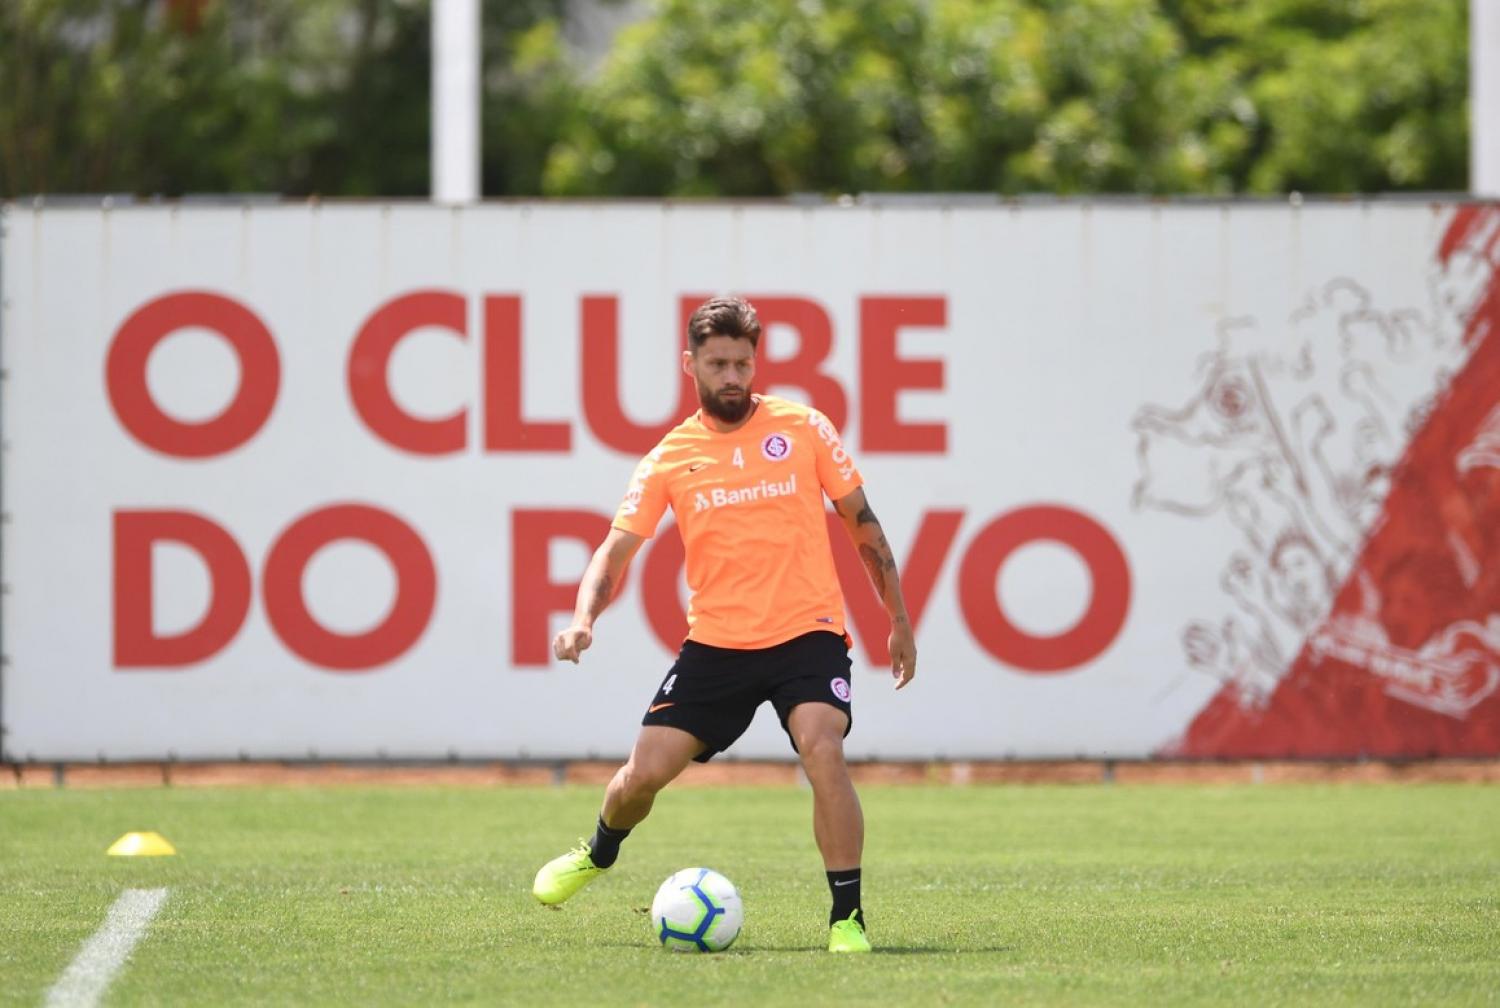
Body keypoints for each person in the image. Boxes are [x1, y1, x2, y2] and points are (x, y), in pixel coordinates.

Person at [531, 295, 916, 954]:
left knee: (822, 746)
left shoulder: (804, 428)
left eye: (743, 362)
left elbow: (863, 522)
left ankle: (847, 918)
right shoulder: (670, 457)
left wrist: (898, 617)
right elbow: (617, 548)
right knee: (640, 778)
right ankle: (598, 853)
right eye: (719, 364)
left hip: (807, 634)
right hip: (717, 645)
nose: (733, 375)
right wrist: (583, 618)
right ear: (691, 366)